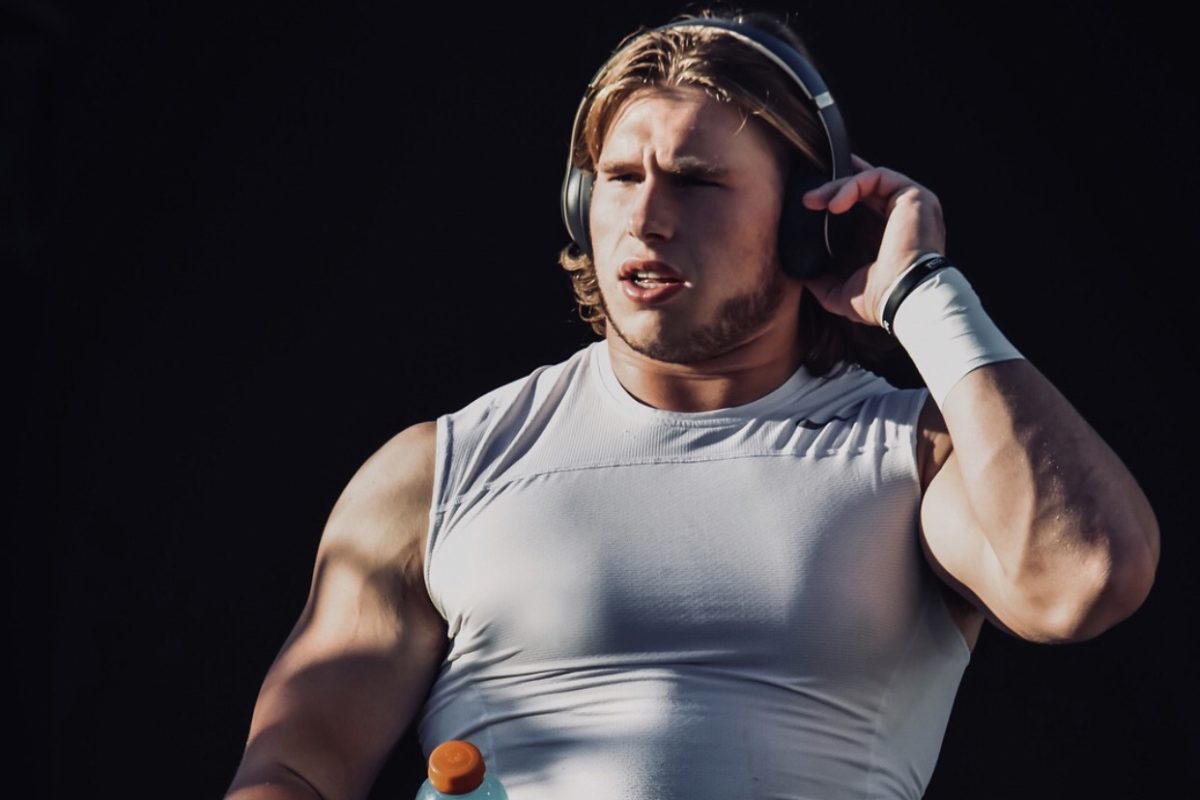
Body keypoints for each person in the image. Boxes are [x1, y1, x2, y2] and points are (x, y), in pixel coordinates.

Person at [225, 7, 1160, 800]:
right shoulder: (440, 467)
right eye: (622, 177)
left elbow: (1085, 578)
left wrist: (925, 296)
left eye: (699, 182)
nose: (647, 216)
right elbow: (296, 764)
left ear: (809, 218)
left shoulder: (918, 456)